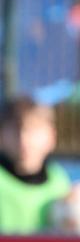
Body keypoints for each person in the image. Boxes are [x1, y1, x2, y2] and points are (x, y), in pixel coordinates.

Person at [0, 96, 70, 234]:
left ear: (52, 136)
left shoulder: (59, 182)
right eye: (16, 130)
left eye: (34, 129)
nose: (24, 139)